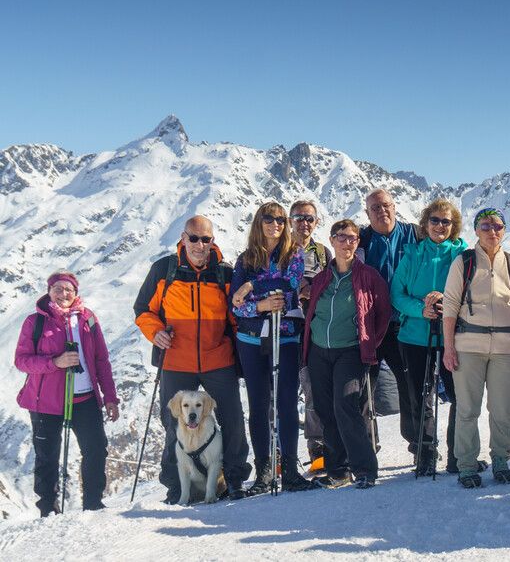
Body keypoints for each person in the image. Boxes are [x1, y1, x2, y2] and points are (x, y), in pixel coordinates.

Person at [134, 215, 251, 503]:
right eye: (194, 238)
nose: (200, 245)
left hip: (217, 358)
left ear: (213, 241)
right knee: (174, 422)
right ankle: (176, 487)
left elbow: (235, 316)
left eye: (206, 239)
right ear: (183, 238)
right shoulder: (164, 270)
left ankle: (234, 480)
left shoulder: (223, 272)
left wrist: (243, 355)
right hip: (176, 360)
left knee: (232, 419)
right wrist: (156, 332)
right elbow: (142, 310)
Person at [442, 208, 510, 488]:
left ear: (504, 230)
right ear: (476, 230)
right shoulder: (464, 262)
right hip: (468, 343)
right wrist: (449, 347)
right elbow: (451, 305)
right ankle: (467, 465)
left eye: (497, 226)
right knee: (468, 408)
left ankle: (501, 461)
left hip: (506, 345)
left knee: (503, 408)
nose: (492, 231)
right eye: (485, 226)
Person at [16, 271, 119, 516]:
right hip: (46, 401)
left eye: (69, 289)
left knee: (95, 449)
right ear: (49, 291)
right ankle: (47, 510)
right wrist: (55, 362)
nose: (64, 294)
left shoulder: (88, 318)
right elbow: (22, 361)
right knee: (47, 457)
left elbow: (101, 360)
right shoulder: (36, 321)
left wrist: (110, 397)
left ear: (76, 292)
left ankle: (93, 505)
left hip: (84, 397)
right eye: (58, 289)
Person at [230, 202, 315, 493]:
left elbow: (290, 283)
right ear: (259, 222)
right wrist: (263, 305)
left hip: (286, 336)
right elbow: (236, 307)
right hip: (252, 339)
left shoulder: (294, 255)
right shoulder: (245, 260)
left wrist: (251, 288)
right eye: (269, 219)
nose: (275, 224)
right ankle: (265, 468)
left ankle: (290, 467)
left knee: (287, 402)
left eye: (280, 219)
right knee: (258, 403)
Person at [302, 220, 392, 490]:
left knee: (346, 405)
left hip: (350, 351)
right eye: (341, 237)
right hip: (318, 350)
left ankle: (364, 468)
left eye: (352, 238)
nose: (346, 242)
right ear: (331, 240)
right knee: (325, 410)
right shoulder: (321, 278)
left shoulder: (369, 276)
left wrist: (369, 344)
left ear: (357, 242)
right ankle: (337, 470)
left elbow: (383, 314)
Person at [390, 199, 469, 475]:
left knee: (460, 394)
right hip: (414, 336)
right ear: (425, 224)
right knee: (420, 395)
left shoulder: (462, 256)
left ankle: (458, 454)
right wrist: (421, 310)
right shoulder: (412, 254)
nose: (439, 226)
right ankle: (425, 453)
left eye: (446, 222)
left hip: (452, 336)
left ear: (453, 226)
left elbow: (469, 294)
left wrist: (446, 304)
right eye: (434, 220)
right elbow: (396, 294)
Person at [355, 188, 421, 453]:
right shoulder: (362, 240)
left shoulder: (414, 234)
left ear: (395, 207)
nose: (382, 211)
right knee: (363, 386)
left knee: (409, 384)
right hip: (371, 326)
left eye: (386, 205)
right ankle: (368, 445)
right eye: (375, 208)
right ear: (367, 213)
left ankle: (417, 440)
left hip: (403, 323)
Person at [289, 200, 334, 470]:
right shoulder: (280, 250)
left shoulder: (323, 253)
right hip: (284, 329)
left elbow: (331, 285)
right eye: (299, 217)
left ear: (316, 222)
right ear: (291, 220)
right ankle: (281, 453)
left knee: (313, 391)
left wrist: (314, 289)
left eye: (309, 218)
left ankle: (317, 451)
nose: (304, 223)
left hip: (313, 331)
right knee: (280, 393)